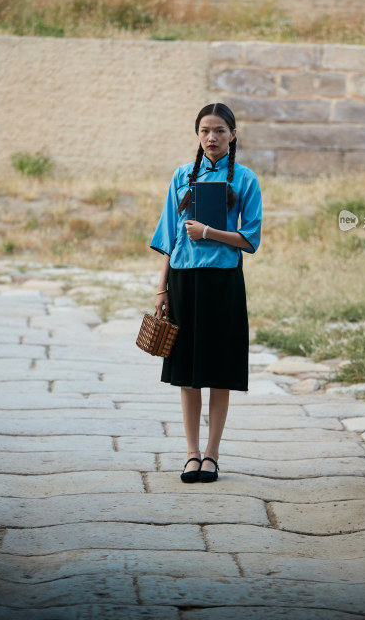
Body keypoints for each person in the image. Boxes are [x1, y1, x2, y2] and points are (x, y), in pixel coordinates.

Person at [150, 103, 262, 483]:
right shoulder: (181, 175)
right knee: (187, 374)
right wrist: (161, 288)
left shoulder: (245, 179)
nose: (211, 137)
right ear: (198, 135)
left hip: (223, 281)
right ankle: (191, 454)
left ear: (233, 134)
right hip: (183, 282)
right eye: (204, 131)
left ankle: (212, 455)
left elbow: (250, 239)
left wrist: (210, 233)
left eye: (219, 130)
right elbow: (168, 235)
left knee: (218, 371)